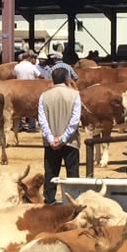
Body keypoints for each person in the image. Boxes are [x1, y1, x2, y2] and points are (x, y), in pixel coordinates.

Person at [37, 66, 81, 205]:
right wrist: (63, 139)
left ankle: (49, 202)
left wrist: (52, 139)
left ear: (52, 80)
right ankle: (73, 202)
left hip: (50, 144)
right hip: (70, 142)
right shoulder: (74, 95)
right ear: (67, 79)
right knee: (72, 174)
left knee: (50, 173)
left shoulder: (44, 96)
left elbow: (42, 121)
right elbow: (75, 121)